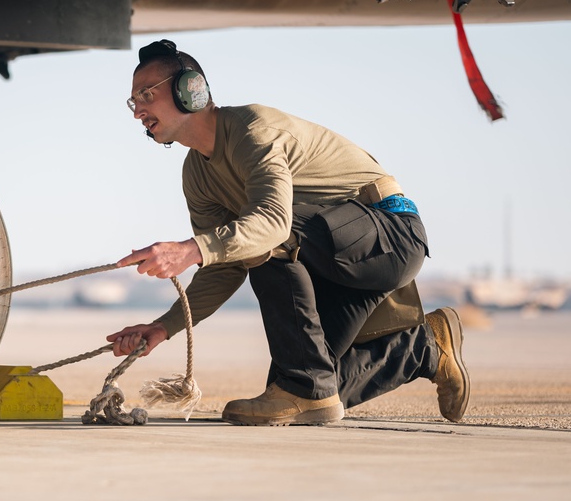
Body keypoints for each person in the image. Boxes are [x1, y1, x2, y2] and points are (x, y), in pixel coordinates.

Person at [108, 39, 469, 426]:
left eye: (147, 94)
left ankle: (305, 385)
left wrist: (190, 249)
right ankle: (424, 349)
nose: (138, 111)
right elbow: (222, 265)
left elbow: (272, 225)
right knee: (315, 393)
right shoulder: (196, 175)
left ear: (190, 89)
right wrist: (164, 327)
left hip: (389, 235)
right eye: (134, 101)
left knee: (264, 240)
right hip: (326, 256)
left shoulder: (254, 130)